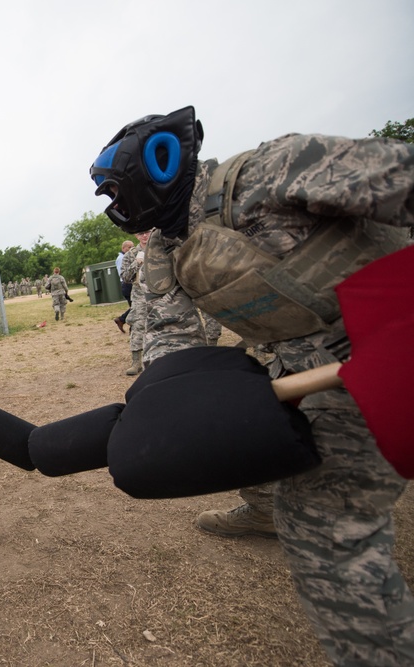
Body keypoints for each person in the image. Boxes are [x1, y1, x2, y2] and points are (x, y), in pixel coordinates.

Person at [90, 105, 414, 666]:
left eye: (115, 190)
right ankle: (262, 504)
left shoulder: (270, 172)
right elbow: (170, 335)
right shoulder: (166, 248)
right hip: (302, 369)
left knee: (328, 540)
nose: (113, 207)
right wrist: (170, 410)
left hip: (390, 338)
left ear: (156, 166)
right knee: (239, 424)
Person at [119, 231, 153, 375]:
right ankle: (136, 362)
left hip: (162, 293)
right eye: (141, 233)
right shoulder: (131, 254)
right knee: (138, 326)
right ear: (136, 236)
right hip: (140, 295)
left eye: (148, 232)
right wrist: (136, 263)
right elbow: (125, 277)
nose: (145, 236)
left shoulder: (162, 248)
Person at [113, 239, 135, 333]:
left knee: (135, 307)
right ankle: (127, 324)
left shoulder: (128, 256)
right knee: (135, 307)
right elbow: (123, 273)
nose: (131, 249)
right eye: (129, 247)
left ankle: (122, 320)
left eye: (133, 247)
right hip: (127, 284)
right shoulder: (122, 258)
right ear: (123, 248)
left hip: (130, 284)